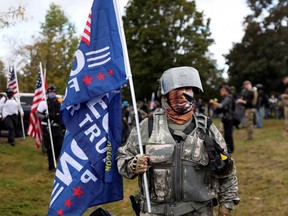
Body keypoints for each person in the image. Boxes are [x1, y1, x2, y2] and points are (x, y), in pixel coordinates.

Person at [117, 67, 239, 216]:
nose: (183, 94)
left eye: (188, 89)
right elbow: (122, 159)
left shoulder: (207, 129)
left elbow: (227, 170)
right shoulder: (147, 127)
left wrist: (227, 204)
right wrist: (133, 164)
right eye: (177, 90)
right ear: (165, 95)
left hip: (199, 212)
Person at [37, 86, 64, 171]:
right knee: (50, 147)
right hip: (48, 127)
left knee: (59, 146)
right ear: (47, 93)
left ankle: (56, 159)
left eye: (53, 92)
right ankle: (51, 165)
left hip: (58, 127)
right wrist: (45, 116)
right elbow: (38, 113)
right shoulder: (43, 103)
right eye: (50, 92)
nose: (52, 94)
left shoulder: (60, 102)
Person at [209, 85, 235, 153]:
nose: (221, 91)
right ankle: (227, 148)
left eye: (222, 90)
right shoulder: (225, 98)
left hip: (229, 119)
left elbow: (221, 106)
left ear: (227, 91)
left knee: (228, 135)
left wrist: (213, 102)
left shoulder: (229, 98)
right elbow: (219, 109)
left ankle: (230, 149)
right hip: (226, 119)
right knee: (226, 135)